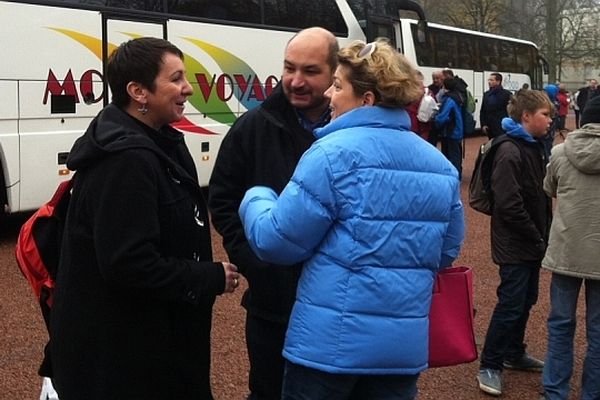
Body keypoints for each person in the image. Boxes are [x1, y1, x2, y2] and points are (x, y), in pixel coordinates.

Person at [238, 39, 465, 400]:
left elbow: (276, 242)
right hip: (399, 350)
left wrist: (257, 197)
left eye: (339, 85)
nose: (329, 93)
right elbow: (444, 253)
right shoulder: (439, 166)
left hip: (328, 347)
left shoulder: (331, 154)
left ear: (368, 99)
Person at [48, 37, 240, 400]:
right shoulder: (127, 161)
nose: (187, 89)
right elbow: (128, 263)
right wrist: (209, 276)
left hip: (149, 346)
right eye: (177, 78)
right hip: (128, 361)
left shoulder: (157, 142)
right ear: (138, 91)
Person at [208, 27, 338, 400]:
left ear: (334, 74)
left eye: (310, 71)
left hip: (337, 303)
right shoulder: (253, 126)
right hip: (273, 303)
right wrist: (253, 261)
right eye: (289, 68)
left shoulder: (353, 131)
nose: (296, 81)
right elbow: (223, 198)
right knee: (268, 390)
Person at [477, 89, 554, 397]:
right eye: (545, 115)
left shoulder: (531, 146)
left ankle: (513, 351)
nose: (551, 120)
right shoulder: (511, 150)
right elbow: (509, 204)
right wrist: (536, 236)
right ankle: (490, 364)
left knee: (526, 299)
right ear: (526, 116)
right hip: (517, 241)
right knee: (510, 303)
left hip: (530, 240)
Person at [541, 96, 600, 400]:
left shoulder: (560, 153)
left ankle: (554, 391)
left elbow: (549, 188)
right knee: (599, 333)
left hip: (566, 249)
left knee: (561, 325)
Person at [435, 77, 464, 180]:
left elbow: (442, 117)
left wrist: (435, 119)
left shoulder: (449, 99)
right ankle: (457, 175)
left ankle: (454, 176)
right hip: (457, 131)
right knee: (456, 155)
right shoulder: (458, 96)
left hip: (450, 131)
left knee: (450, 155)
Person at [480, 73, 512, 139]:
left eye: (492, 80)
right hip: (489, 128)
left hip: (501, 127)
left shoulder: (507, 94)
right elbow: (483, 110)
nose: (489, 82)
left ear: (498, 81)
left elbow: (511, 111)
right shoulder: (486, 94)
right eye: (489, 80)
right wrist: (483, 124)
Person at [427, 70, 444, 147]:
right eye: (433, 78)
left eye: (437, 78)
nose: (435, 80)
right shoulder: (429, 89)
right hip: (433, 121)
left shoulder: (445, 89)